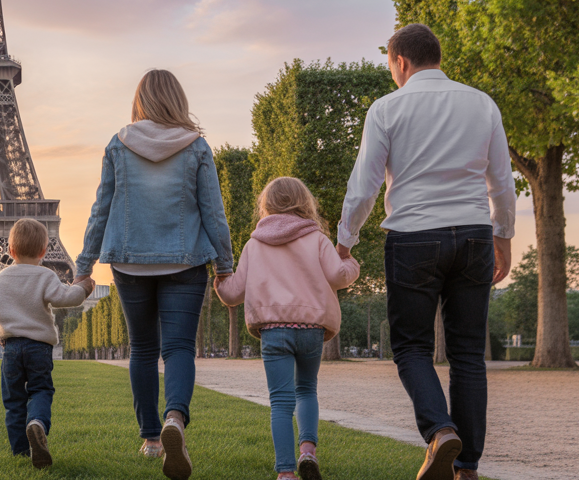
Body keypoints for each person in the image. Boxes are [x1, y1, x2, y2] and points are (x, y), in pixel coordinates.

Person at [336, 24, 515, 480]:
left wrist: (345, 240)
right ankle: (467, 466)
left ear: (400, 61)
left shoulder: (386, 108)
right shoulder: (482, 103)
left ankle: (439, 431)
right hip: (475, 232)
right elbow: (502, 181)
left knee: (412, 348)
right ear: (436, 55)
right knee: (468, 354)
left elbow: (365, 185)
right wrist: (503, 236)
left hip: (414, 234)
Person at [76, 69, 235, 480]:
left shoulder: (118, 144)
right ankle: (175, 420)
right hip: (186, 262)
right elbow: (213, 212)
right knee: (179, 348)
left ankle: (150, 438)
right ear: (177, 100)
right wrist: (225, 266)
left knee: (143, 350)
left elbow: (101, 210)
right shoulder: (196, 146)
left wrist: (83, 266)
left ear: (140, 100)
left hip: (130, 264)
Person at [215, 177, 359, 480]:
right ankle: (308, 451)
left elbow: (233, 294)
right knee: (307, 390)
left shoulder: (254, 245)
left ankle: (285, 472)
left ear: (266, 206)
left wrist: (219, 281)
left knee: (280, 401)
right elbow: (338, 275)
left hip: (273, 330)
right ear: (304, 203)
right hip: (311, 328)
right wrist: (351, 263)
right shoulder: (317, 239)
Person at [0, 218, 94, 469]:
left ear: (10, 250)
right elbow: (66, 298)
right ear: (44, 251)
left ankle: (20, 451)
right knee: (40, 390)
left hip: (10, 348)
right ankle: (38, 423)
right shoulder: (45, 275)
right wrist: (84, 288)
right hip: (39, 347)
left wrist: (1, 334)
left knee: (13, 401)